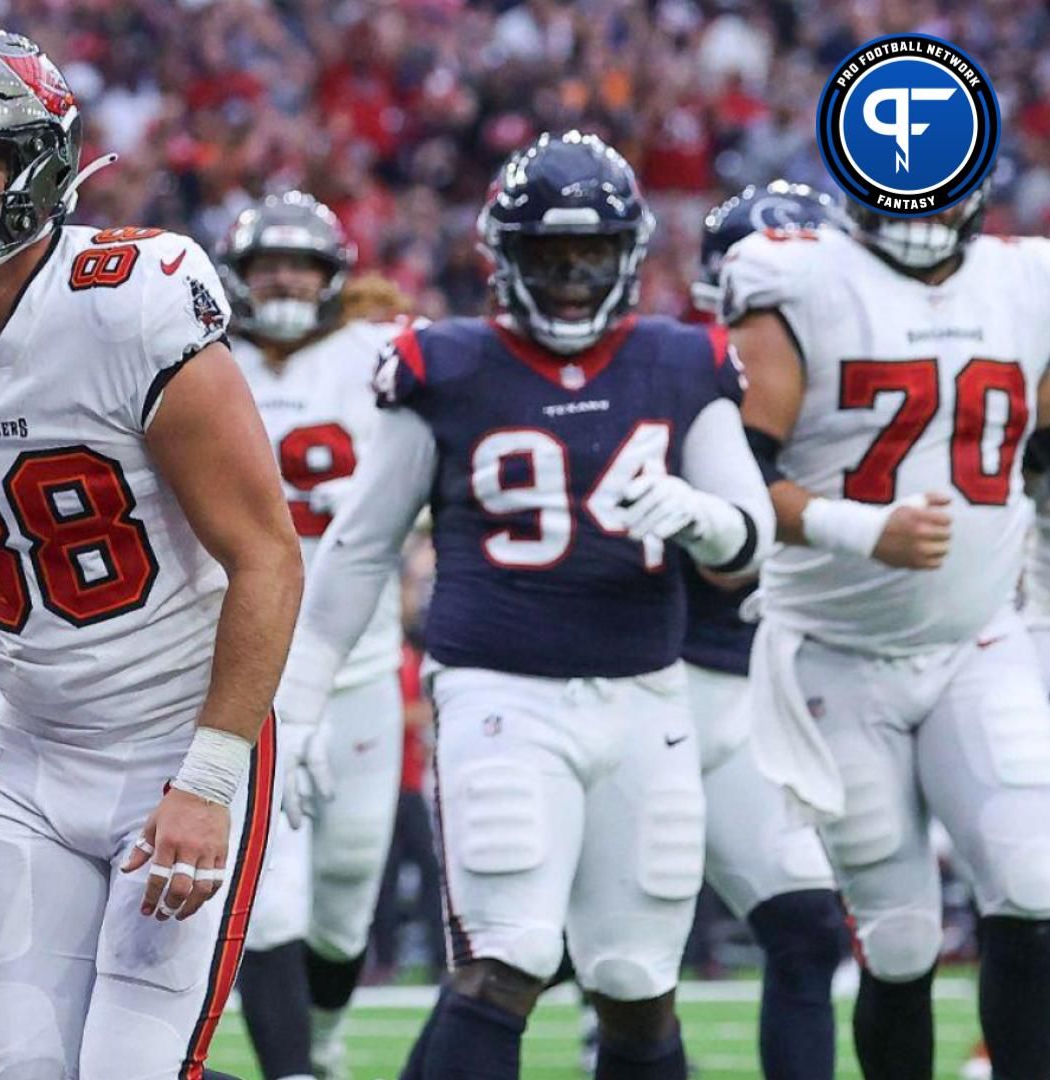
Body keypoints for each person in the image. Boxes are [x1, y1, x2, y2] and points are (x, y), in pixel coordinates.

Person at [0, 30, 300, 1080]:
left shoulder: (131, 301)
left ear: (39, 171)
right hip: (29, 750)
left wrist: (209, 778)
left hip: (177, 733)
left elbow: (265, 555)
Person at [277, 131, 774, 1080]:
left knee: (635, 980)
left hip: (645, 695)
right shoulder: (449, 364)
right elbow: (359, 545)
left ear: (628, 254)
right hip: (502, 690)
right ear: (507, 258)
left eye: (590, 254)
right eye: (551, 256)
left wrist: (700, 518)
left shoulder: (681, 360)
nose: (575, 277)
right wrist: (299, 703)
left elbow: (750, 534)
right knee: (508, 955)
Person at [725, 179, 1050, 1080]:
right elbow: (735, 474)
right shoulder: (794, 279)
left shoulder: (1027, 283)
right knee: (899, 937)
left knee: (1033, 885)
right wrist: (860, 528)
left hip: (979, 637)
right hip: (837, 647)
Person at [218, 191, 405, 1080]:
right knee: (272, 899)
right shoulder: (203, 362)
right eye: (267, 265)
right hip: (248, 664)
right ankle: (294, 1069)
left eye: (300, 263)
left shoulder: (380, 357)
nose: (283, 279)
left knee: (344, 901)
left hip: (362, 664)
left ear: (334, 277)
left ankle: (322, 1045)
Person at [674, 181, 848, 1080]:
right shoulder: (681, 372)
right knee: (536, 959)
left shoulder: (857, 378)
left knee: (807, 930)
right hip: (661, 689)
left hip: (759, 691)